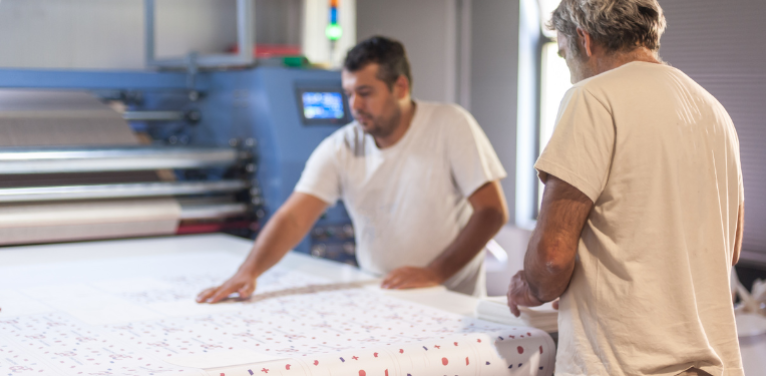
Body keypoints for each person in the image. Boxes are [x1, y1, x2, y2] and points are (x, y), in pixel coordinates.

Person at [506, 1, 744, 375]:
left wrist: (532, 285)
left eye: (564, 54)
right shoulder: (713, 111)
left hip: (624, 364)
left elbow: (551, 258)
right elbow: (726, 249)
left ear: (585, 41)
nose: (569, 74)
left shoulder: (592, 97)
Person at [197, 36, 508, 302]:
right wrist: (248, 272)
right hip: (384, 293)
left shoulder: (450, 125)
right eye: (348, 93)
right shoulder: (342, 146)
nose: (355, 105)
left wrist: (435, 272)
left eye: (366, 92)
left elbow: (492, 212)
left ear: (400, 87)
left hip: (451, 299)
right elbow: (293, 216)